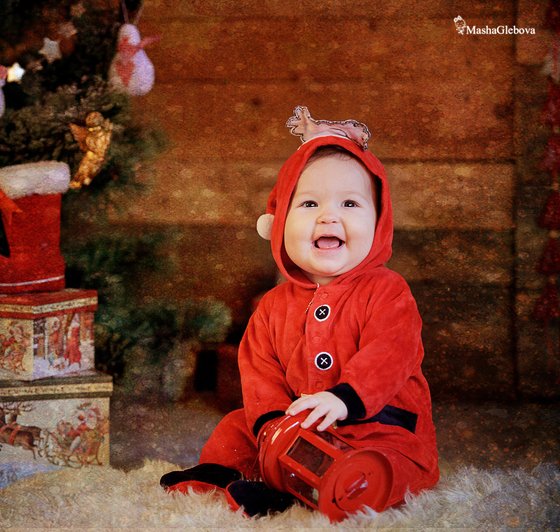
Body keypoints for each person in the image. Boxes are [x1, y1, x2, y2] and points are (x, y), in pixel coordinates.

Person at [160, 107, 440, 518]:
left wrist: (345, 399)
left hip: (376, 425)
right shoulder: (273, 305)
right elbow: (259, 370)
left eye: (350, 203)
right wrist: (275, 424)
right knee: (237, 427)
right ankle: (226, 474)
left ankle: (310, 492)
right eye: (309, 203)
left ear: (379, 222)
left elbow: (390, 354)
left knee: (390, 466)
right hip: (295, 427)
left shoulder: (388, 291)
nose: (329, 216)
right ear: (278, 224)